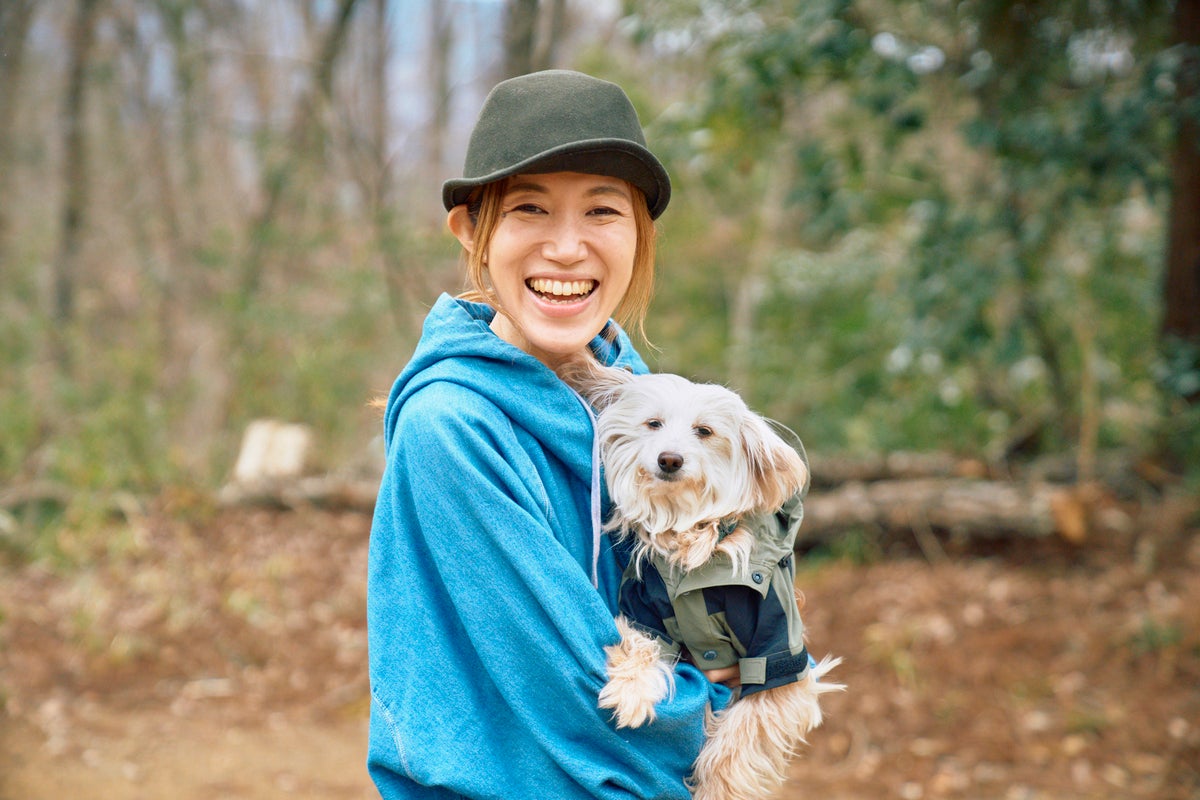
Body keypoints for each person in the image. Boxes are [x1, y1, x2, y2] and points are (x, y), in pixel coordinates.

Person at [366, 70, 733, 799]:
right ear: (471, 231)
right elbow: (585, 698)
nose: (567, 248)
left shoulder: (642, 406)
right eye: (529, 208)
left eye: (602, 211)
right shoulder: (454, 429)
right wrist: (731, 699)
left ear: (641, 236)